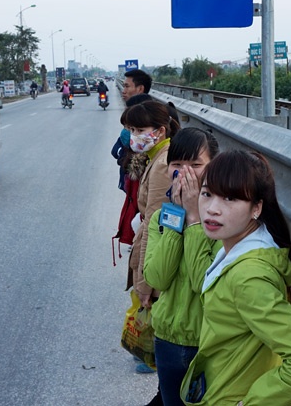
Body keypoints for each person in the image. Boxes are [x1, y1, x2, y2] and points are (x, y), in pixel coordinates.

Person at [180, 150, 291, 405]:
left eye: (230, 198)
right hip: (225, 381)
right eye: (207, 194)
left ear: (256, 208)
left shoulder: (248, 278)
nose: (212, 209)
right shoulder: (239, 246)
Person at [143, 128, 221, 406]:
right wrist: (178, 218)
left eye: (196, 165)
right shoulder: (160, 219)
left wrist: (195, 221)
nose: (186, 174)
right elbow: (158, 278)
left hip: (210, 342)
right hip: (168, 340)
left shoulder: (223, 222)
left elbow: (205, 282)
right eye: (177, 165)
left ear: (214, 167)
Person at [123, 100, 180, 393]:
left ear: (159, 131)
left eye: (139, 129)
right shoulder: (159, 156)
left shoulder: (162, 164)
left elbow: (155, 227)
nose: (134, 136)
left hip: (155, 260)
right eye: (131, 129)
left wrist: (145, 285)